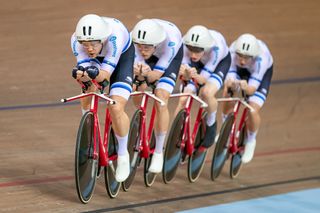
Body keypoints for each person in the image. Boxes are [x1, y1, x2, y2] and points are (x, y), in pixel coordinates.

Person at [70, 14, 134, 182]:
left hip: (121, 59)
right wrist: (82, 76)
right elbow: (86, 70)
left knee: (115, 106)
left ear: (103, 39)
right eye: (85, 44)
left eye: (93, 44)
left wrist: (96, 75)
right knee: (87, 88)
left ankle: (123, 154)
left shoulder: (115, 37)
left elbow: (105, 76)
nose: (89, 48)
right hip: (97, 62)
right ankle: (89, 127)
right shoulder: (76, 41)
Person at [131, 18, 183, 173]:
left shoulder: (171, 41)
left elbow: (155, 75)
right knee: (136, 87)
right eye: (140, 46)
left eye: (146, 47)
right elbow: (138, 73)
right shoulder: (133, 40)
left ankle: (159, 151)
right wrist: (139, 75)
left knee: (161, 97)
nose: (142, 50)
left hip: (169, 59)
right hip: (149, 58)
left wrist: (145, 74)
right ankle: (141, 116)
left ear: (156, 44)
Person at [176, 25, 231, 148]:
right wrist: (186, 75)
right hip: (196, 66)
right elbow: (184, 71)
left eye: (197, 51)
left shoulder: (217, 49)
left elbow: (203, 80)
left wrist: (190, 75)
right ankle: (176, 132)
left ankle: (211, 123)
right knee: (184, 98)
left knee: (206, 93)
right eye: (191, 49)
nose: (193, 54)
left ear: (205, 48)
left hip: (218, 65)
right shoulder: (185, 43)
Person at [223, 33, 273, 163]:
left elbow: (251, 89)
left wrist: (245, 88)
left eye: (246, 58)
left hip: (259, 75)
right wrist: (232, 84)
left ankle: (251, 141)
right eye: (240, 56)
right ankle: (225, 128)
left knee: (252, 108)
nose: (242, 61)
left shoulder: (262, 59)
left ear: (254, 56)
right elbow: (229, 78)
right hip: (239, 71)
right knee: (228, 91)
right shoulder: (232, 51)